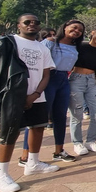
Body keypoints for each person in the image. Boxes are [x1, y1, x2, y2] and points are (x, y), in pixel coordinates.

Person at [0, 14, 58, 192]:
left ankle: (33, 162)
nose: (32, 25)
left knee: (38, 128)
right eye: (27, 22)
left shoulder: (43, 48)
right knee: (10, 133)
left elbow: (46, 74)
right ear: (18, 25)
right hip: (12, 96)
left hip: (36, 95)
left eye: (36, 23)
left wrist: (35, 94)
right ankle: (1, 175)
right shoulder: (8, 43)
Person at [23, 20, 83, 159]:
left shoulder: (75, 46)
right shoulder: (50, 42)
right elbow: (38, 60)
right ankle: (26, 155)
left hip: (63, 80)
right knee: (38, 118)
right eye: (74, 27)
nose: (76, 31)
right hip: (48, 79)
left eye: (80, 30)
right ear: (65, 27)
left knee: (61, 117)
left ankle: (59, 151)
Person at [69, 26, 96, 154]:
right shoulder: (81, 46)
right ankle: (77, 143)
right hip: (77, 78)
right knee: (77, 113)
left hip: (92, 81)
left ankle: (90, 141)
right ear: (92, 32)